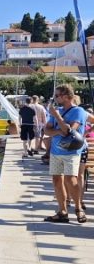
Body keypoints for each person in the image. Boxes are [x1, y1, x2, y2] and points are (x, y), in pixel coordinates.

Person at [44, 84, 88, 223]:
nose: (55, 98)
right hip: (56, 151)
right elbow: (47, 130)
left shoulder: (78, 111)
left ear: (66, 96)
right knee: (57, 180)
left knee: (71, 179)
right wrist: (57, 131)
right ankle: (62, 211)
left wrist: (56, 116)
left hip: (71, 151)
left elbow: (69, 131)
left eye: (57, 96)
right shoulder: (58, 110)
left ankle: (78, 209)